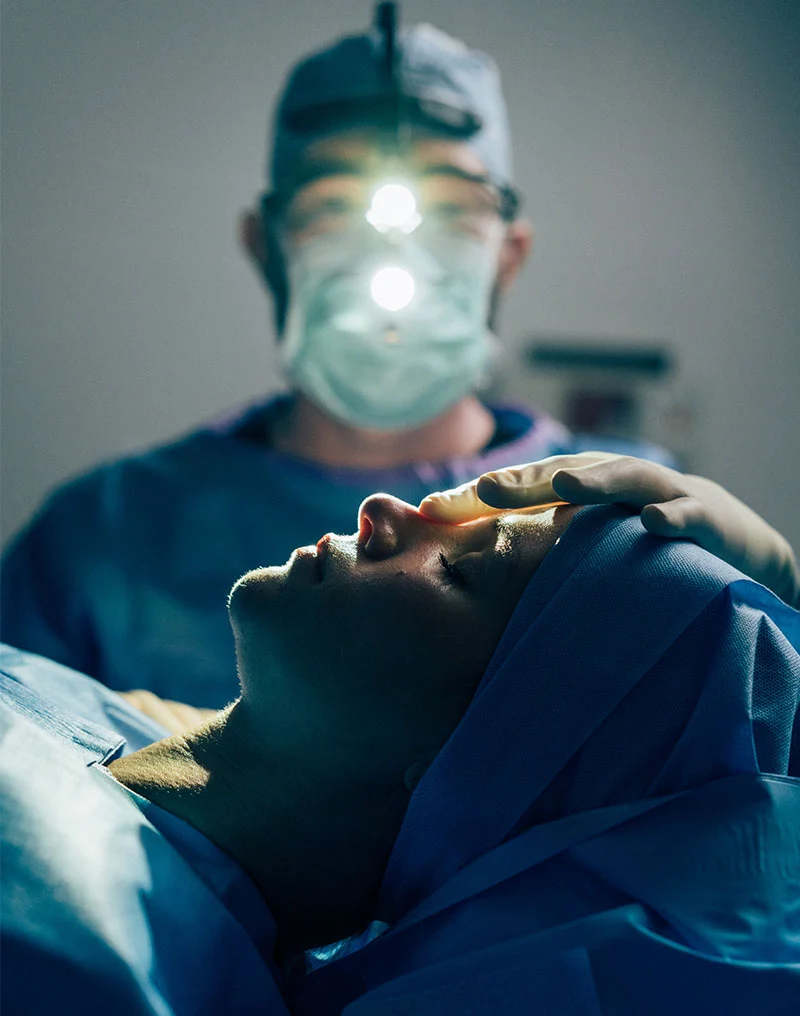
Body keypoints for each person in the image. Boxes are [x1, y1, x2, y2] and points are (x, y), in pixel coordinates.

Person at [0, 4, 675, 708]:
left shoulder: (615, 511)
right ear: (267, 245)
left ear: (508, 255)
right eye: (332, 206)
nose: (394, 254)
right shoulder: (105, 535)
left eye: (451, 209)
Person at [2, 463, 799, 1014]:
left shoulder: (91, 962)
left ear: (472, 766)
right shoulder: (114, 727)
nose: (386, 510)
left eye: (462, 569)